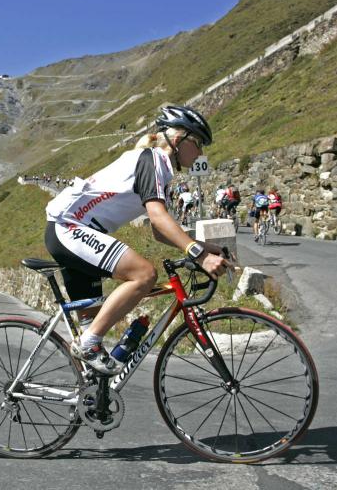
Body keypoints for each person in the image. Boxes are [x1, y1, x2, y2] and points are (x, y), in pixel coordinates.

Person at [44, 105, 229, 375]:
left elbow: (159, 230)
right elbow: (156, 216)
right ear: (179, 140)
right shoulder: (152, 160)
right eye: (198, 143)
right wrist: (199, 255)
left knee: (93, 341)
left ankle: (87, 398)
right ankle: (87, 345)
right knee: (144, 275)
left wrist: (206, 247)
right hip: (69, 228)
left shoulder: (160, 169)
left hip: (74, 232)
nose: (201, 152)